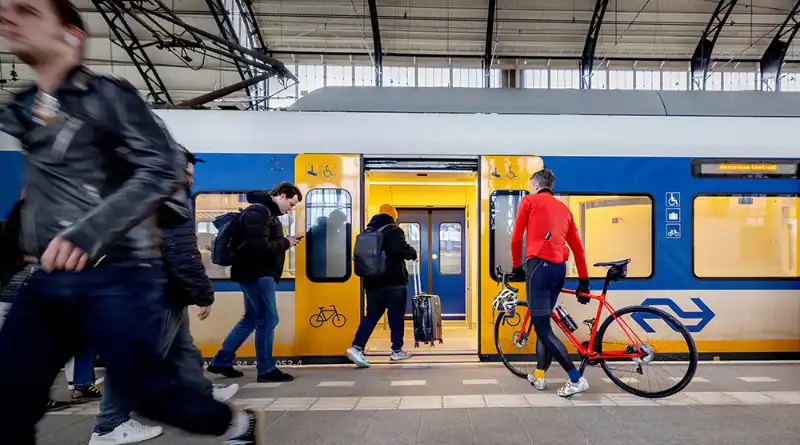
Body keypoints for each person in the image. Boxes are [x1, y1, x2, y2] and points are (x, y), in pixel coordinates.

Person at [0, 1, 263, 443]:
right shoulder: (26, 107)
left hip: (117, 275)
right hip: (48, 278)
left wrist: (87, 233)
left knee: (146, 391)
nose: (8, 17)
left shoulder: (108, 96)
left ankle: (234, 424)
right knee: (7, 400)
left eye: (26, 10)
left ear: (71, 35)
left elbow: (161, 166)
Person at [89, 150, 239, 444]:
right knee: (141, 360)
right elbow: (181, 252)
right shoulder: (169, 200)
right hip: (156, 291)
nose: (190, 180)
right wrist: (203, 293)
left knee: (182, 349)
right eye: (187, 173)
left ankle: (201, 392)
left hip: (161, 289)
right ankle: (109, 425)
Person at [207, 183, 301, 382]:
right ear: (281, 195)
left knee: (251, 319)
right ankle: (266, 369)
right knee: (268, 319)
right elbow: (257, 246)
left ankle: (220, 362)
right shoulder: (259, 211)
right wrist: (286, 242)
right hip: (257, 273)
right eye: (291, 204)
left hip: (255, 273)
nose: (291, 209)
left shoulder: (265, 212)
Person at [510, 169, 592, 398]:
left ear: (536, 185)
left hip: (538, 268)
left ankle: (576, 379)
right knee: (543, 323)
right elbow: (578, 249)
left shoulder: (529, 201)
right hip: (558, 270)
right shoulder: (565, 210)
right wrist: (584, 280)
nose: (529, 188)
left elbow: (516, 238)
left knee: (543, 329)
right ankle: (539, 373)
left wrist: (517, 266)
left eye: (529, 185)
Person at [346, 204, 417, 367]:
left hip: (372, 283)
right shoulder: (393, 230)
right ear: (393, 216)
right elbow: (402, 249)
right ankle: (397, 351)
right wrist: (413, 253)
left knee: (370, 316)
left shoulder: (367, 231)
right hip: (393, 283)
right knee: (396, 318)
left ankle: (357, 347)